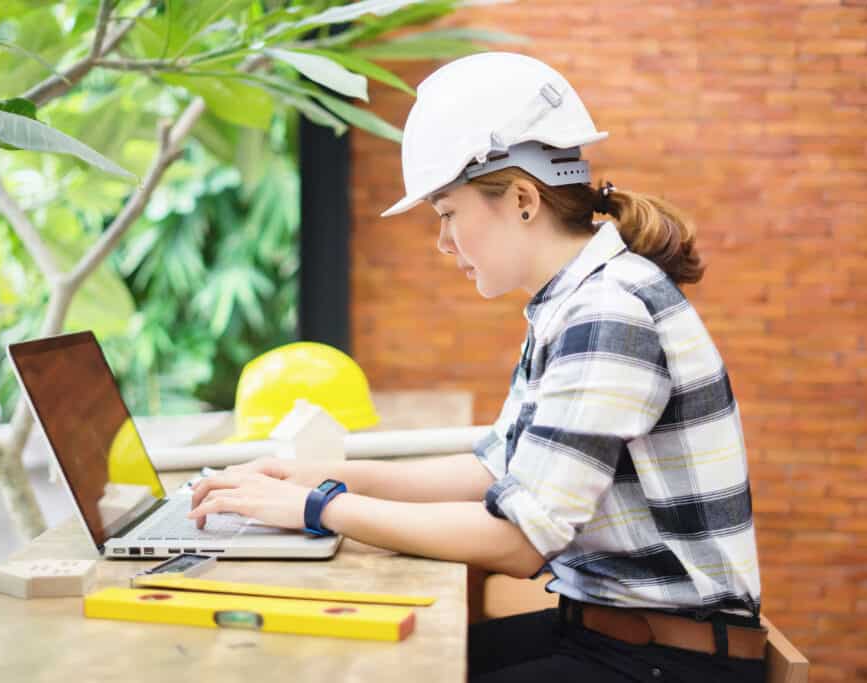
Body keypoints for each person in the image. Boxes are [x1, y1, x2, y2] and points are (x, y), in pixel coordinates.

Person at [188, 52, 766, 682]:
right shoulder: (574, 299)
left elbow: (517, 542)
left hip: (663, 664)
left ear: (521, 198)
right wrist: (310, 473)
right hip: (609, 636)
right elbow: (491, 468)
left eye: (447, 215)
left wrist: (315, 505)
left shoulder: (608, 310)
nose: (443, 243)